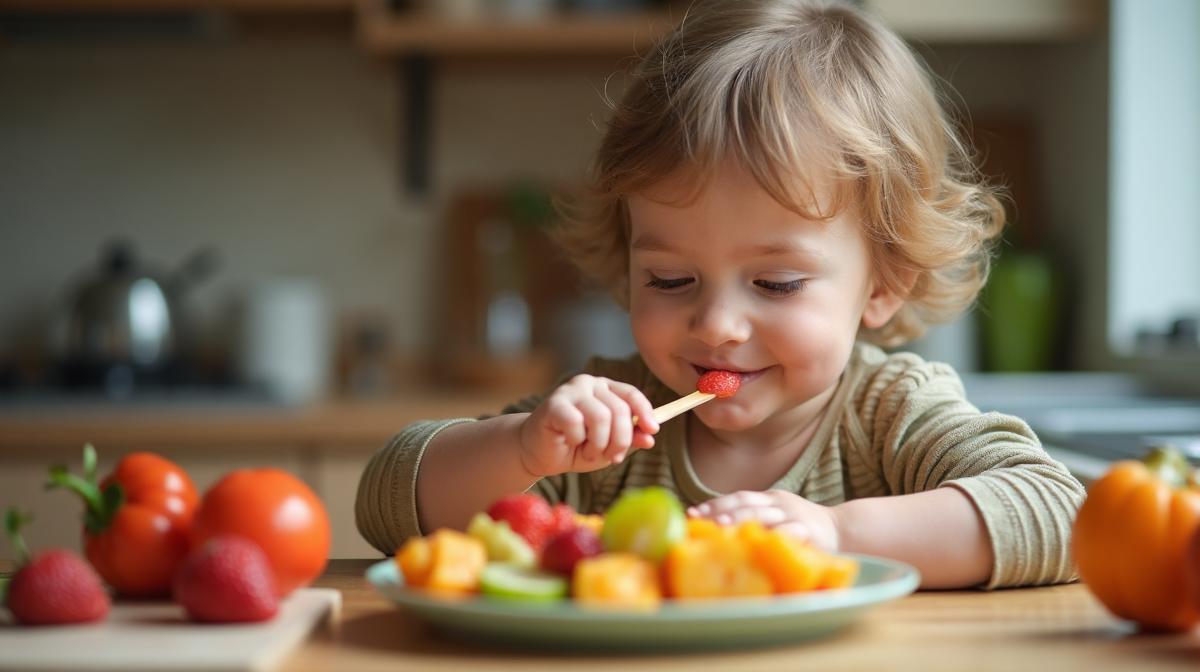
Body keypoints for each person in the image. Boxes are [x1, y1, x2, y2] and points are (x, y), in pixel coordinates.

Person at [356, 0, 1084, 589]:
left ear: (885, 282)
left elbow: (1057, 510)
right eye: (670, 281)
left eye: (776, 283)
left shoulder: (890, 413)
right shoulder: (610, 422)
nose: (718, 326)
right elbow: (387, 498)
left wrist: (835, 532)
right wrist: (520, 449)